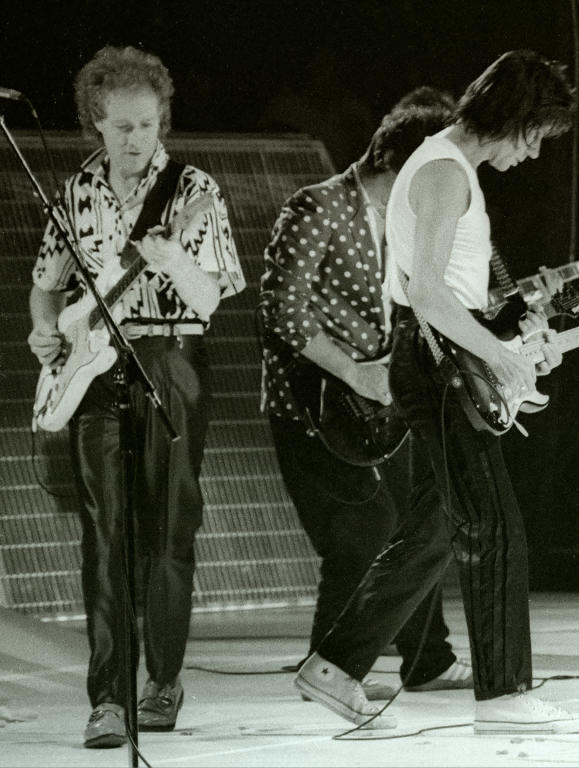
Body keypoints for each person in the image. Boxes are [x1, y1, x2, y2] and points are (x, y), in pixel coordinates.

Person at [294, 49, 579, 734]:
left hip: (438, 357)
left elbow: (448, 290)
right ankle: (506, 695)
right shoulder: (440, 170)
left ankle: (335, 665)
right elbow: (426, 292)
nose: (536, 154)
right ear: (514, 118)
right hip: (435, 362)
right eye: (537, 137)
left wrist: (508, 341)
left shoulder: (448, 168)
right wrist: (501, 358)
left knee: (435, 527)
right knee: (495, 526)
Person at [28, 46, 245, 748]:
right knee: (103, 532)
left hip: (172, 357)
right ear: (97, 122)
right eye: (121, 126)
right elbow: (47, 281)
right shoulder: (76, 191)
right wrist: (41, 331)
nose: (135, 140)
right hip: (94, 367)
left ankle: (163, 682)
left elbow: (211, 300)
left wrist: (175, 259)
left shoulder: (195, 192)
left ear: (162, 120)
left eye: (147, 125)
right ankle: (108, 699)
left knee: (171, 527)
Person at [258, 95, 475, 700]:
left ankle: (426, 659)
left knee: (416, 525)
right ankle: (326, 666)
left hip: (382, 408)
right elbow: (281, 309)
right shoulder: (317, 206)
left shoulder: (407, 227)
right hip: (316, 406)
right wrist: (356, 375)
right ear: (400, 163)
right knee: (363, 531)